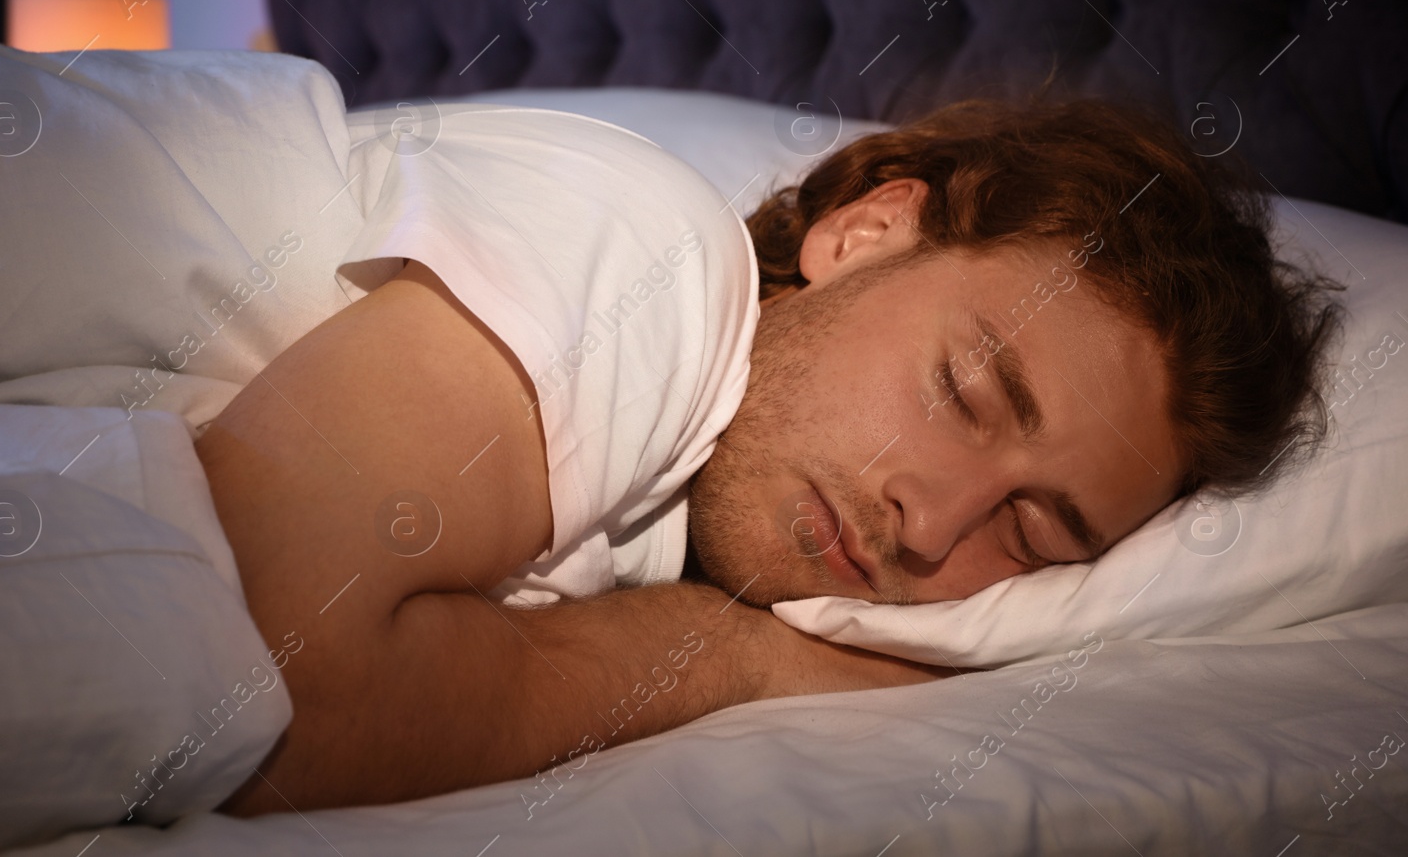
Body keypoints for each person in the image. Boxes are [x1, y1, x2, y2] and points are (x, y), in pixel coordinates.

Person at [196, 97, 1338, 815]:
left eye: (1030, 534)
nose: (931, 525)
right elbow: (257, 688)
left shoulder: (643, 502)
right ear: (864, 233)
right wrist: (718, 658)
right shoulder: (652, 249)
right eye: (963, 391)